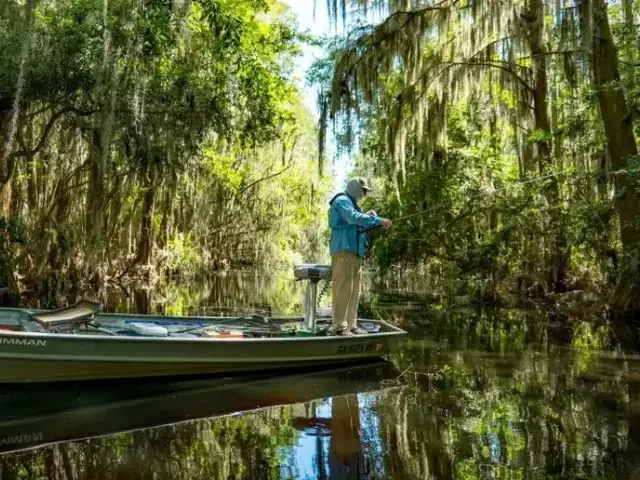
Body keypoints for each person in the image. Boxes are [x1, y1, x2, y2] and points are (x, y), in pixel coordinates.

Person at [328, 178, 392, 335]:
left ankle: (351, 325)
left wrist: (368, 216)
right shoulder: (342, 200)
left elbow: (358, 218)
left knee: (354, 291)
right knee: (343, 290)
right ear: (355, 187)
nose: (364, 194)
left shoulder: (353, 205)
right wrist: (378, 220)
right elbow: (352, 217)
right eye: (363, 190)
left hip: (355, 254)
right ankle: (339, 328)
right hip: (344, 252)